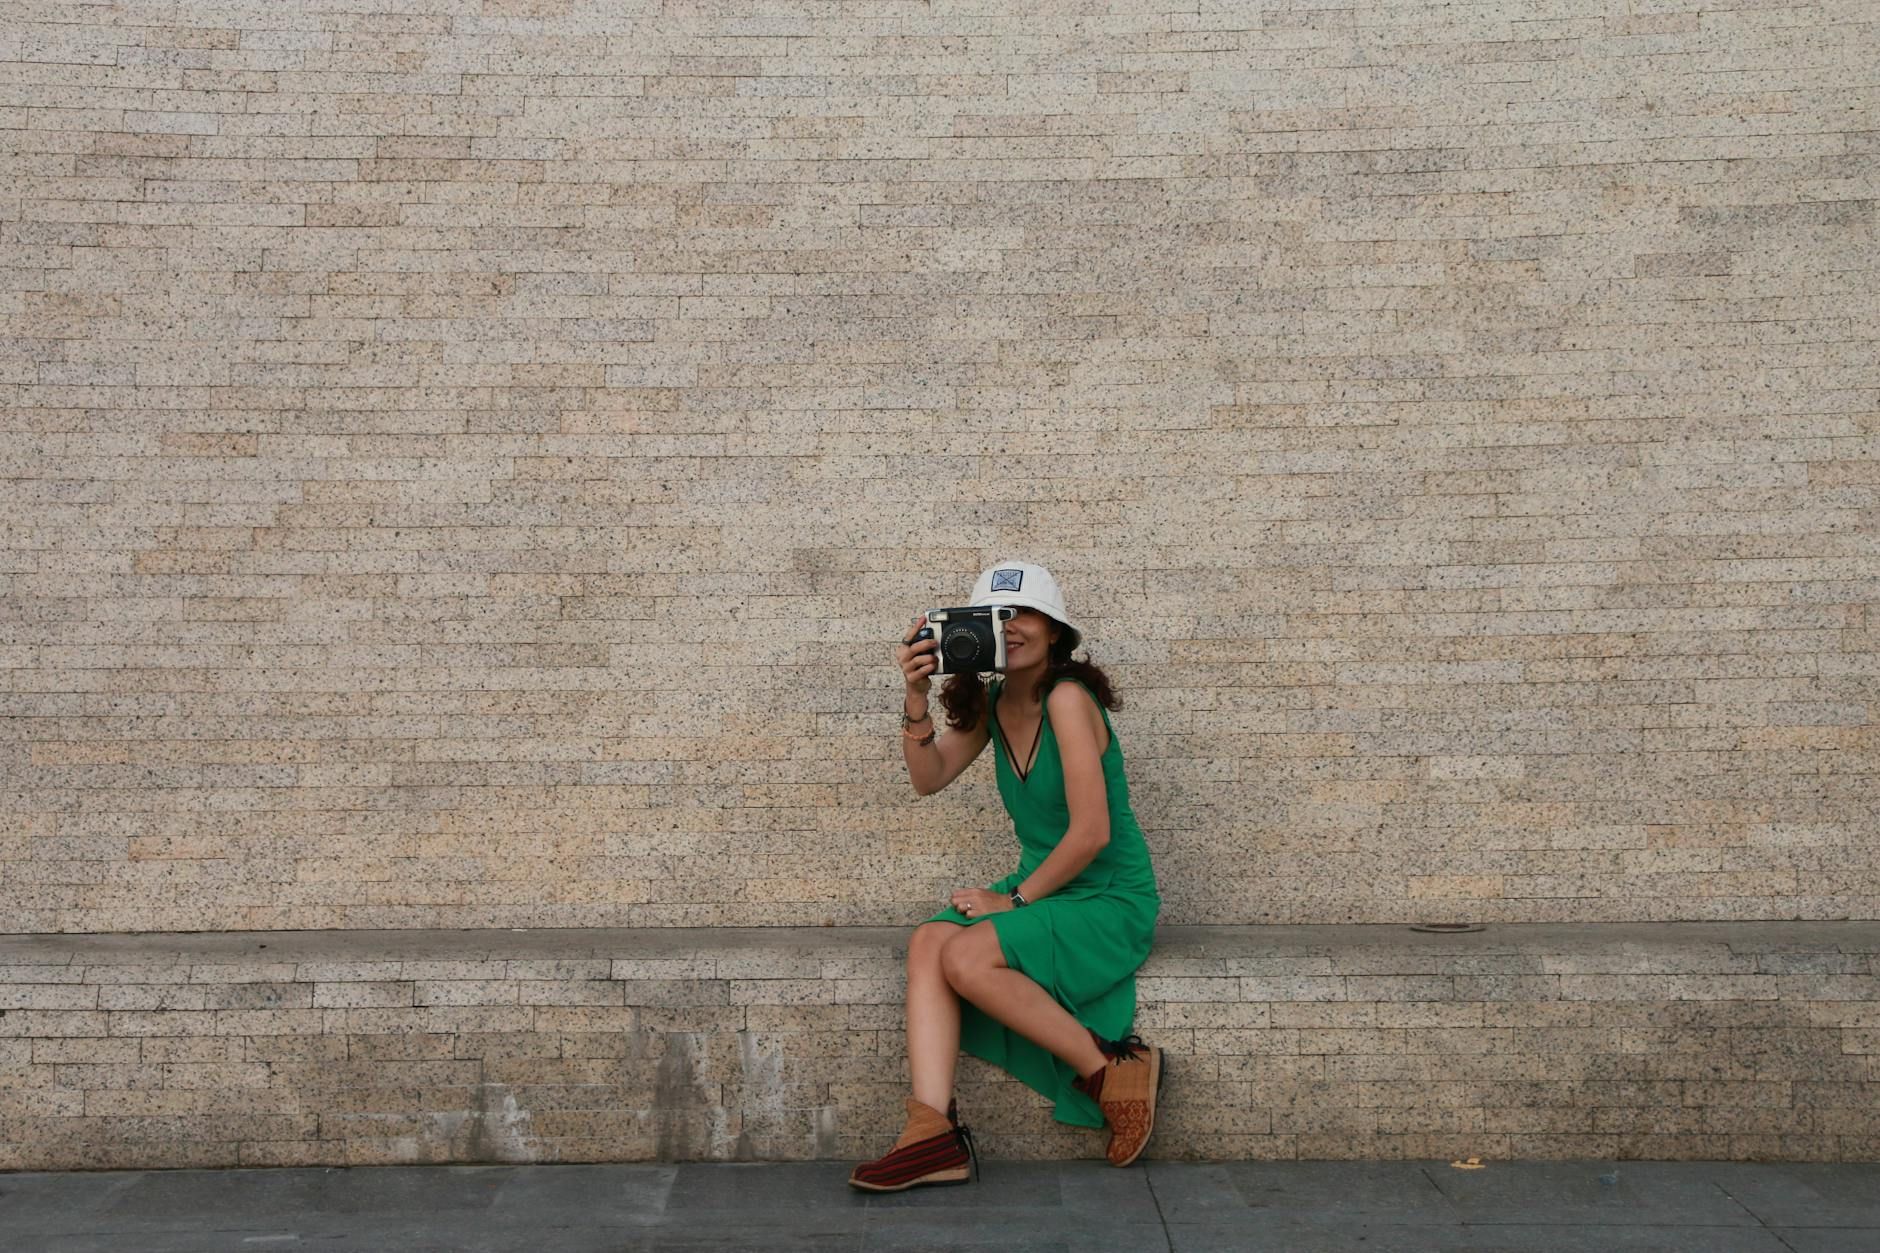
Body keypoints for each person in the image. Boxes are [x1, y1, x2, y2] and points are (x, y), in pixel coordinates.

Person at [848, 560, 1164, 1192]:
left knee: (964, 958)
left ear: (1054, 630)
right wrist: (915, 699)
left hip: (1109, 897)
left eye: (1022, 614)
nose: (1010, 627)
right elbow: (927, 777)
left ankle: (1108, 1070)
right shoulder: (994, 700)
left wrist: (1013, 899)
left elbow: (1092, 834)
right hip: (1049, 886)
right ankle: (932, 1134)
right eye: (995, 617)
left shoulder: (1069, 700)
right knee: (929, 943)